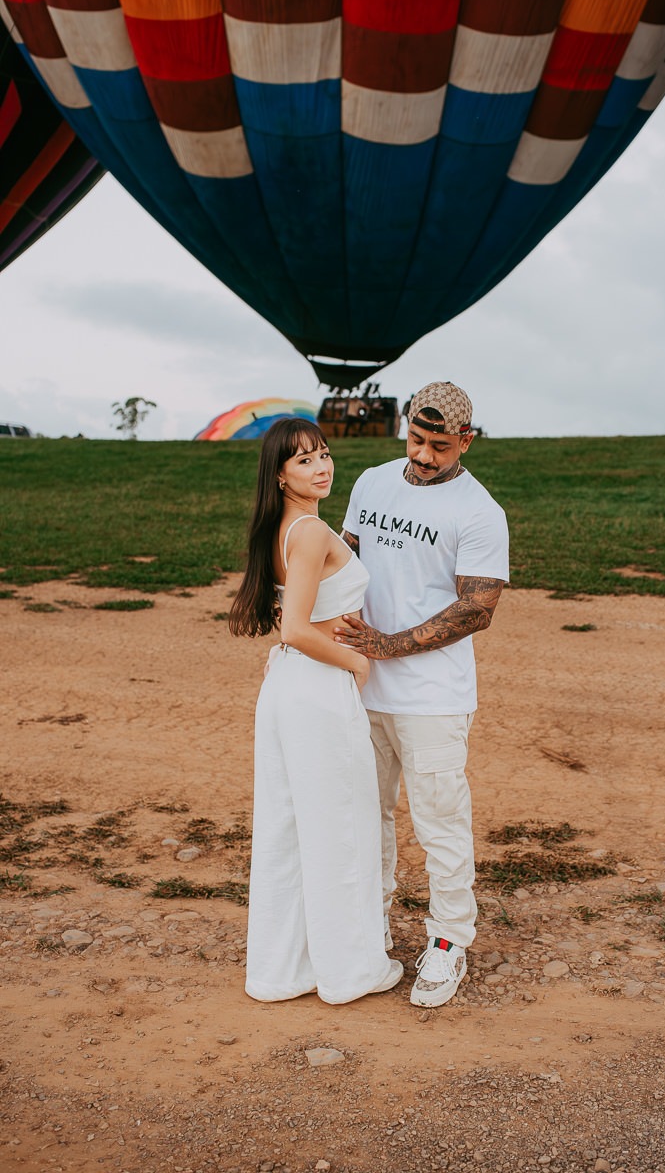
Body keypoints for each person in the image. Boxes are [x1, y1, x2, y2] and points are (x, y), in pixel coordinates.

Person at [335, 382, 509, 1008]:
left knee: (439, 822)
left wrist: (388, 645)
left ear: (466, 441)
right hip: (361, 688)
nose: (425, 456)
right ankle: (369, 925)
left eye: (440, 446)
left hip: (434, 698)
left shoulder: (480, 511)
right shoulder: (372, 482)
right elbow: (343, 561)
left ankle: (447, 942)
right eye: (416, 440)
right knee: (365, 814)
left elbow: (477, 608)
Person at [229, 417, 403, 1005]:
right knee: (341, 826)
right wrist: (357, 664)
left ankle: (282, 971)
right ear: (280, 475)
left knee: (288, 827)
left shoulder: (282, 527)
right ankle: (352, 972)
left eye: (324, 453)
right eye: (304, 460)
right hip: (318, 687)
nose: (322, 467)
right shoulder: (307, 531)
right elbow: (297, 629)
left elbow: (287, 621)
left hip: (287, 686)